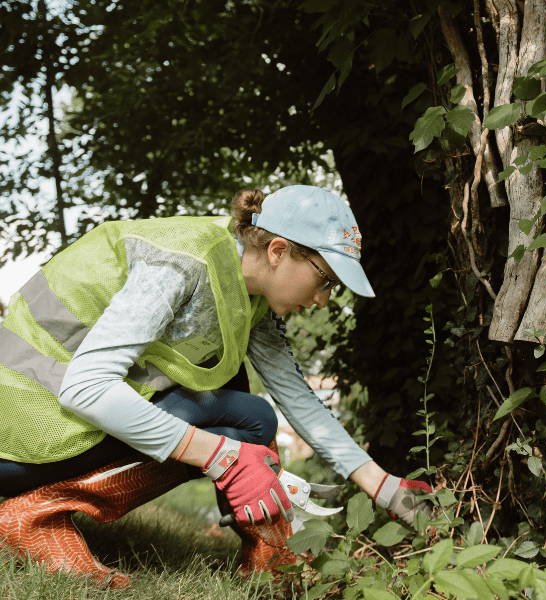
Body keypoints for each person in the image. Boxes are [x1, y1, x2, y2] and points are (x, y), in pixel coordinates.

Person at [0, 185, 433, 589]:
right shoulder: (181, 262)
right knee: (226, 426)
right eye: (325, 279)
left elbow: (298, 399)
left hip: (58, 428)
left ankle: (266, 563)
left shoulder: (251, 292)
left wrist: (384, 486)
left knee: (253, 416)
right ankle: (32, 515)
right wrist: (223, 457)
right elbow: (87, 390)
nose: (324, 298)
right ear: (278, 251)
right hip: (20, 437)